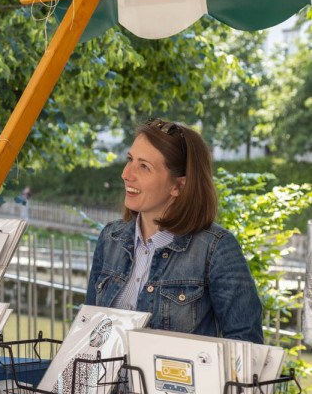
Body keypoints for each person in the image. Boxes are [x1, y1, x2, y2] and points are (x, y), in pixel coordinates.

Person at [85, 118, 263, 344]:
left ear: (178, 186)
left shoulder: (216, 249)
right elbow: (88, 332)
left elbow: (247, 346)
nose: (126, 174)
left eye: (144, 166)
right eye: (130, 160)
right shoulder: (111, 238)